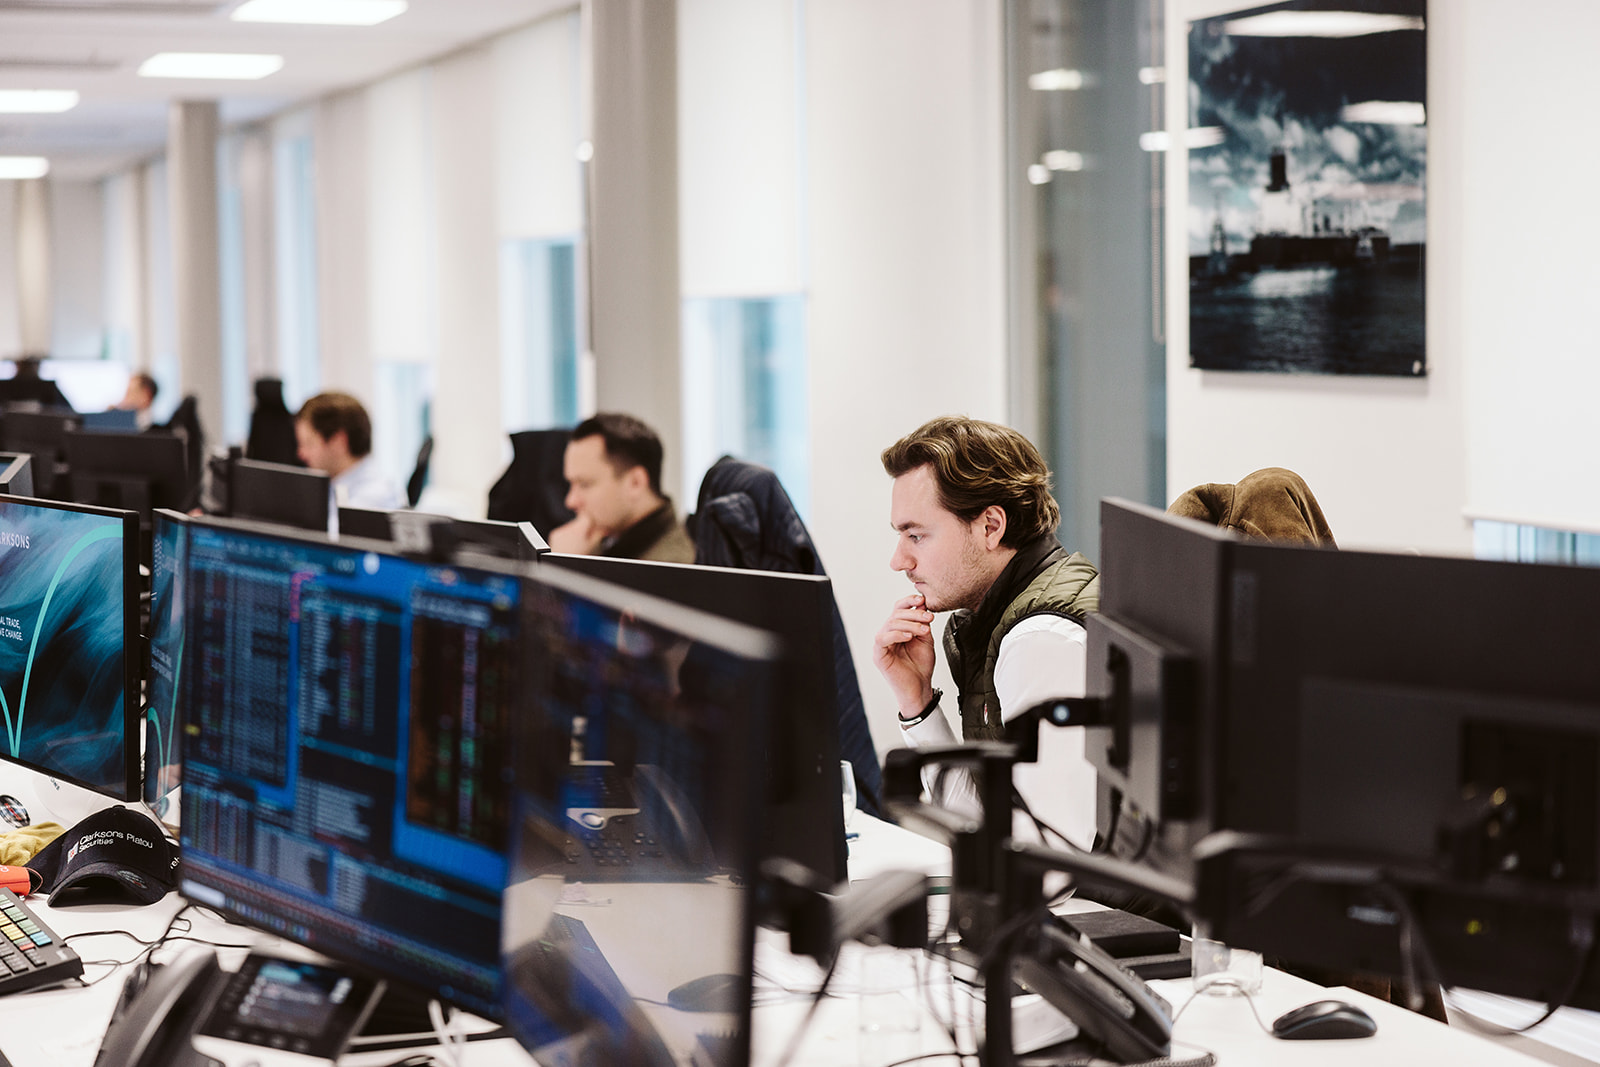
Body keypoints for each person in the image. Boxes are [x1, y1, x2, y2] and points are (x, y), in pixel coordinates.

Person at [873, 415, 1100, 848]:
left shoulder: (1042, 639)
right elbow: (981, 819)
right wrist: (917, 701)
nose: (899, 561)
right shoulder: (992, 620)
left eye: (916, 536)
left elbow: (1047, 862)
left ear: (990, 527)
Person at [547, 413, 695, 563]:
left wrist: (564, 564)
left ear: (635, 483)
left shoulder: (668, 566)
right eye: (571, 484)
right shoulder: (608, 539)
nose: (571, 501)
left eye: (585, 484)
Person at [295, 392, 405, 511]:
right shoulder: (332, 488)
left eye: (309, 443)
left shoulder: (373, 499)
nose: (301, 454)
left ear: (338, 443)